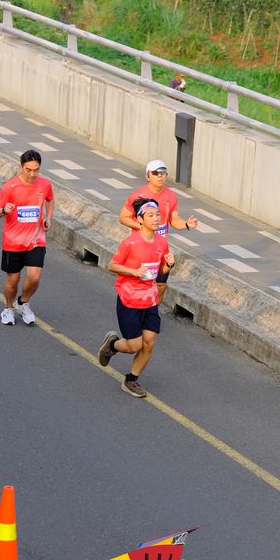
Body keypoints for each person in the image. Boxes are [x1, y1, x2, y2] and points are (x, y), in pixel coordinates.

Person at [98, 198, 175, 398]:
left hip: (150, 300)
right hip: (129, 299)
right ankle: (112, 345)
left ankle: (131, 380)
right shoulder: (130, 243)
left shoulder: (162, 242)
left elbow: (160, 273)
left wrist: (168, 265)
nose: (156, 218)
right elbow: (112, 265)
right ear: (140, 219)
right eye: (151, 215)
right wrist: (134, 271)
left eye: (157, 215)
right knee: (134, 346)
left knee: (149, 343)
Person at [119, 159, 197, 303]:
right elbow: (123, 218)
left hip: (160, 249)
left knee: (160, 286)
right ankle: (136, 309)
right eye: (155, 173)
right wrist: (143, 227)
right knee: (140, 284)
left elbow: (174, 220)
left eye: (163, 172)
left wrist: (187, 224)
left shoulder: (171, 196)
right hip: (141, 247)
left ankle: (153, 311)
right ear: (147, 176)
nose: (160, 176)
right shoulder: (138, 196)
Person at [0, 149, 54, 326]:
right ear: (21, 167)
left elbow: (50, 199)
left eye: (36, 170)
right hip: (13, 242)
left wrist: (48, 217)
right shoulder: (10, 187)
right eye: (28, 170)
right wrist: (4, 210)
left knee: (34, 277)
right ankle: (8, 308)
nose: (32, 174)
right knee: (13, 279)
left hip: (36, 239)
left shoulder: (44, 184)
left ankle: (23, 302)